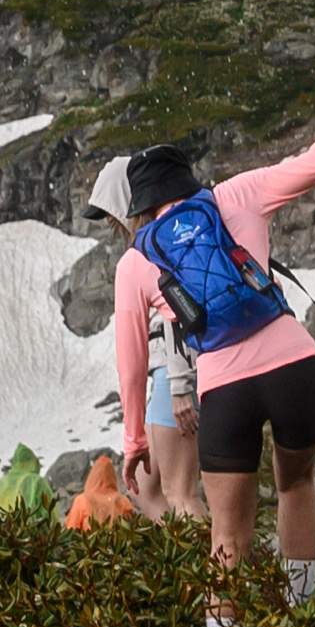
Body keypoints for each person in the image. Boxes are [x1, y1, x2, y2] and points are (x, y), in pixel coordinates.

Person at [113, 53, 315, 627]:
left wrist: (135, 442)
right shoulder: (237, 194)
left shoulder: (136, 261)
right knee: (294, 486)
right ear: (188, 182)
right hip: (296, 371)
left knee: (228, 534)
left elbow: (132, 365)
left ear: (142, 207)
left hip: (224, 391)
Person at [82, 157, 203, 521]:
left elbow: (174, 315)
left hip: (175, 371)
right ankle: (196, 553)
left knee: (179, 491)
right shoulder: (169, 236)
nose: (109, 222)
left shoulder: (151, 248)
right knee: (148, 490)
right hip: (171, 372)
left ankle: (216, 558)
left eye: (110, 212)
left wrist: (180, 385)